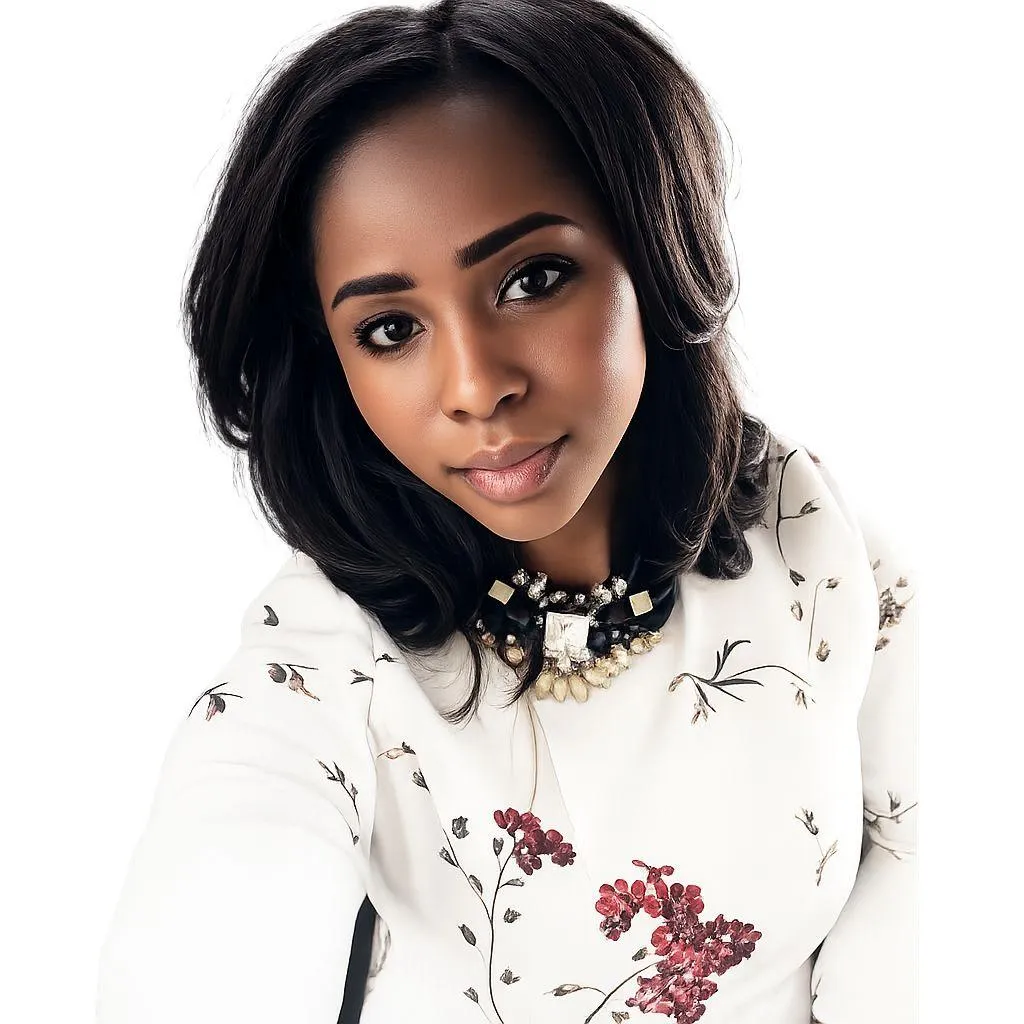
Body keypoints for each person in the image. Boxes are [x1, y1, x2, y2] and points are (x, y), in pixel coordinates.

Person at [94, 1, 918, 1022]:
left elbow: (931, 864)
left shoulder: (811, 543)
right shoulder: (329, 651)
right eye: (390, 329)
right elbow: (218, 901)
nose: (477, 386)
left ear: (652, 246)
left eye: (533, 278)